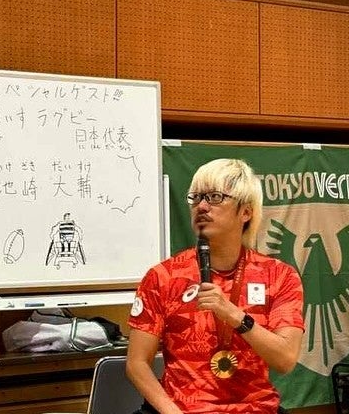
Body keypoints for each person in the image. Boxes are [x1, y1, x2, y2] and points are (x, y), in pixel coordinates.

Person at [126, 158, 304, 413]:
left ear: (246, 212)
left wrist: (232, 314)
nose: (202, 206)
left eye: (215, 197)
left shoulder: (279, 275)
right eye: (196, 197)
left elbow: (285, 360)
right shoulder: (163, 276)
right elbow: (137, 364)